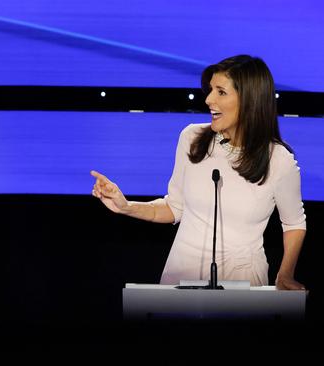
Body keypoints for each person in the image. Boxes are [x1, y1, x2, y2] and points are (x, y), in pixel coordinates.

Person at [91, 55, 306, 290]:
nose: (209, 99)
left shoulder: (279, 160)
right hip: (182, 273)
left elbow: (294, 223)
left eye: (220, 92)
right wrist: (126, 206)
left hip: (243, 280)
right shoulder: (192, 138)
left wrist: (285, 273)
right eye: (210, 90)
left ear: (249, 100)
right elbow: (175, 207)